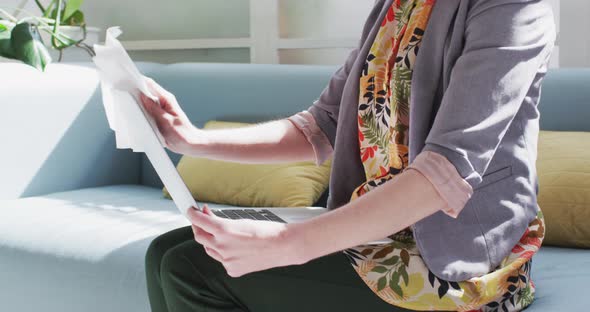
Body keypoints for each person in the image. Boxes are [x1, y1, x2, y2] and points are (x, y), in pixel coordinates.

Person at [140, 0, 555, 311]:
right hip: (378, 231)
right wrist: (190, 140)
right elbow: (322, 125)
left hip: (455, 260)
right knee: (166, 253)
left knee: (191, 268)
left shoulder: (514, 8)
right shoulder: (396, 7)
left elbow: (446, 171)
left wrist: (290, 243)